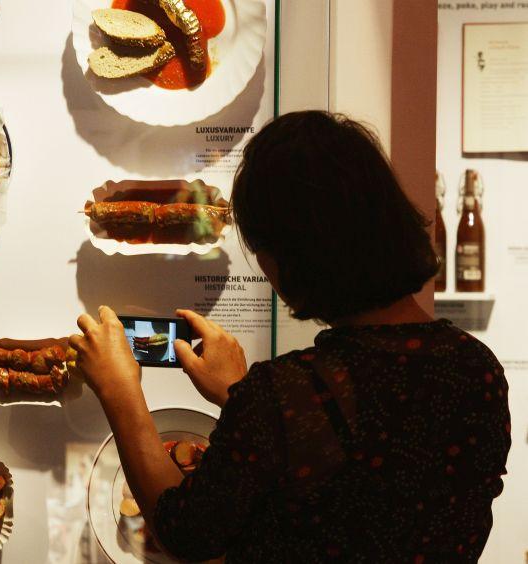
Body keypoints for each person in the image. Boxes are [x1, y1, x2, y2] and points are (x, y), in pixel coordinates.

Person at [69, 111, 511, 563]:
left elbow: (188, 533)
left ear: (291, 258)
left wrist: (120, 392)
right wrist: (242, 402)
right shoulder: (477, 367)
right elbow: (360, 478)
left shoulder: (283, 395)